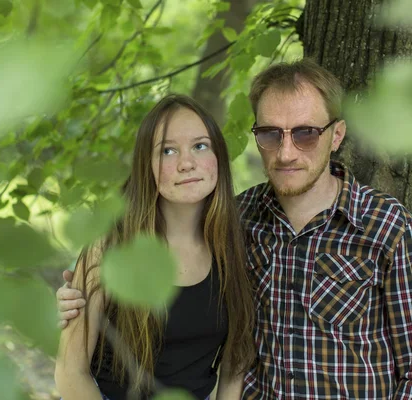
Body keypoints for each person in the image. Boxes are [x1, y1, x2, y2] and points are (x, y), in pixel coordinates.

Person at [57, 59, 412, 399]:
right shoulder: (239, 222)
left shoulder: (385, 226)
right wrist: (73, 299)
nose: (286, 152)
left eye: (306, 133)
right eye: (271, 134)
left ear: (337, 136)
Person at [55, 94, 255, 400]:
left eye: (200, 146)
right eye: (168, 151)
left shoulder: (233, 246)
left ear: (218, 155)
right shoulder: (111, 246)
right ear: (146, 165)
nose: (187, 163)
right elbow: (70, 372)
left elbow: (234, 365)